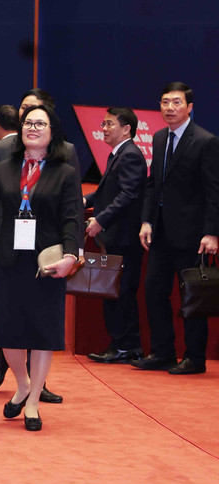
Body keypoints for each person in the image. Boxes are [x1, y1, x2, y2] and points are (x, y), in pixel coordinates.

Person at [0, 104, 83, 431]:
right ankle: (21, 384)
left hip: (46, 262)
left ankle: (34, 399)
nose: (32, 128)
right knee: (8, 330)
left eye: (40, 124)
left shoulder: (64, 171)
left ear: (52, 133)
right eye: (28, 123)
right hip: (10, 259)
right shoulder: (6, 166)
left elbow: (72, 216)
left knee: (42, 332)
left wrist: (71, 255)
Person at [133, 82, 219, 375]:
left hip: (192, 235)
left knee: (191, 297)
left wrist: (212, 232)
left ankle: (194, 358)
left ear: (190, 107)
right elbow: (152, 184)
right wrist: (146, 220)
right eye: (165, 102)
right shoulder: (158, 138)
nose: (169, 108)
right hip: (159, 232)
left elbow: (214, 191)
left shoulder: (205, 141)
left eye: (176, 103)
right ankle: (162, 352)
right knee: (154, 291)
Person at [84, 107, 145, 364]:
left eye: (109, 124)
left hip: (124, 237)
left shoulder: (130, 155)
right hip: (116, 236)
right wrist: (84, 199)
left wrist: (101, 219)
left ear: (126, 129)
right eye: (103, 123)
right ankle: (124, 345)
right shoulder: (118, 154)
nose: (104, 128)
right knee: (116, 292)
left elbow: (128, 195)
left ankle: (124, 347)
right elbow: (108, 190)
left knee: (121, 292)